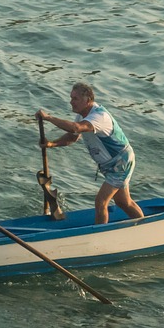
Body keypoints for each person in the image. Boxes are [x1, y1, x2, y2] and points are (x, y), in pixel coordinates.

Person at [36, 82, 144, 224]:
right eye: (71, 98)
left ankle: (100, 238)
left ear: (88, 100)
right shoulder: (82, 115)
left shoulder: (99, 116)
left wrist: (49, 118)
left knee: (100, 202)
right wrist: (51, 144)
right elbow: (72, 137)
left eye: (75, 99)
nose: (71, 102)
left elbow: (76, 128)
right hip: (111, 164)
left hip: (120, 162)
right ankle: (144, 225)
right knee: (123, 202)